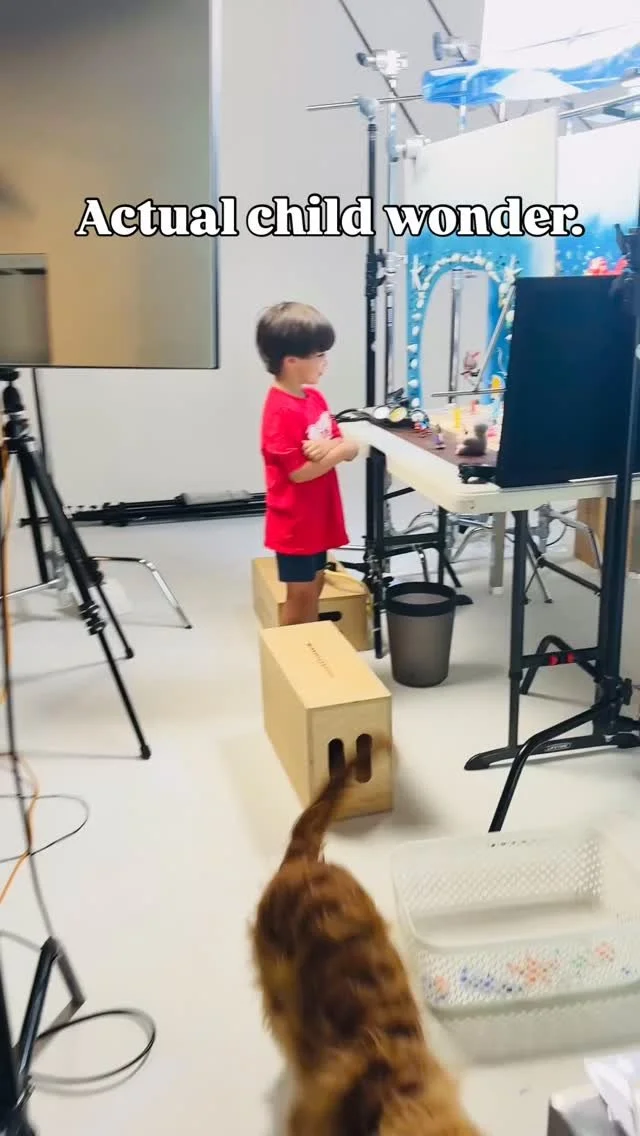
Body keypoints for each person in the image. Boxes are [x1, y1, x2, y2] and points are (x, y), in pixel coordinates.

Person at [257, 301, 359, 625]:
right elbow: (300, 473)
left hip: (318, 517)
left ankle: (311, 639)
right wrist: (342, 450)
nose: (325, 363)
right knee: (299, 595)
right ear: (291, 361)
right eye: (320, 355)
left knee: (316, 584)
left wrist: (332, 446)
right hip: (296, 524)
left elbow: (340, 440)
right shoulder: (280, 411)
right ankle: (291, 648)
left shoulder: (314, 398)